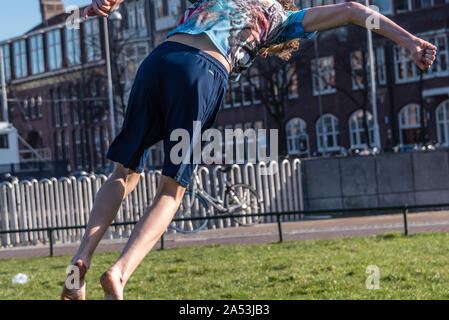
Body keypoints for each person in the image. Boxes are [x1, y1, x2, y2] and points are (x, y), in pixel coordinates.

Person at [62, 0, 436, 300]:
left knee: (123, 173)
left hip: (158, 61)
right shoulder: (281, 18)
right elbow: (355, 10)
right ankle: (120, 273)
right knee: (171, 190)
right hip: (201, 73)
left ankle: (79, 261)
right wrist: (411, 42)